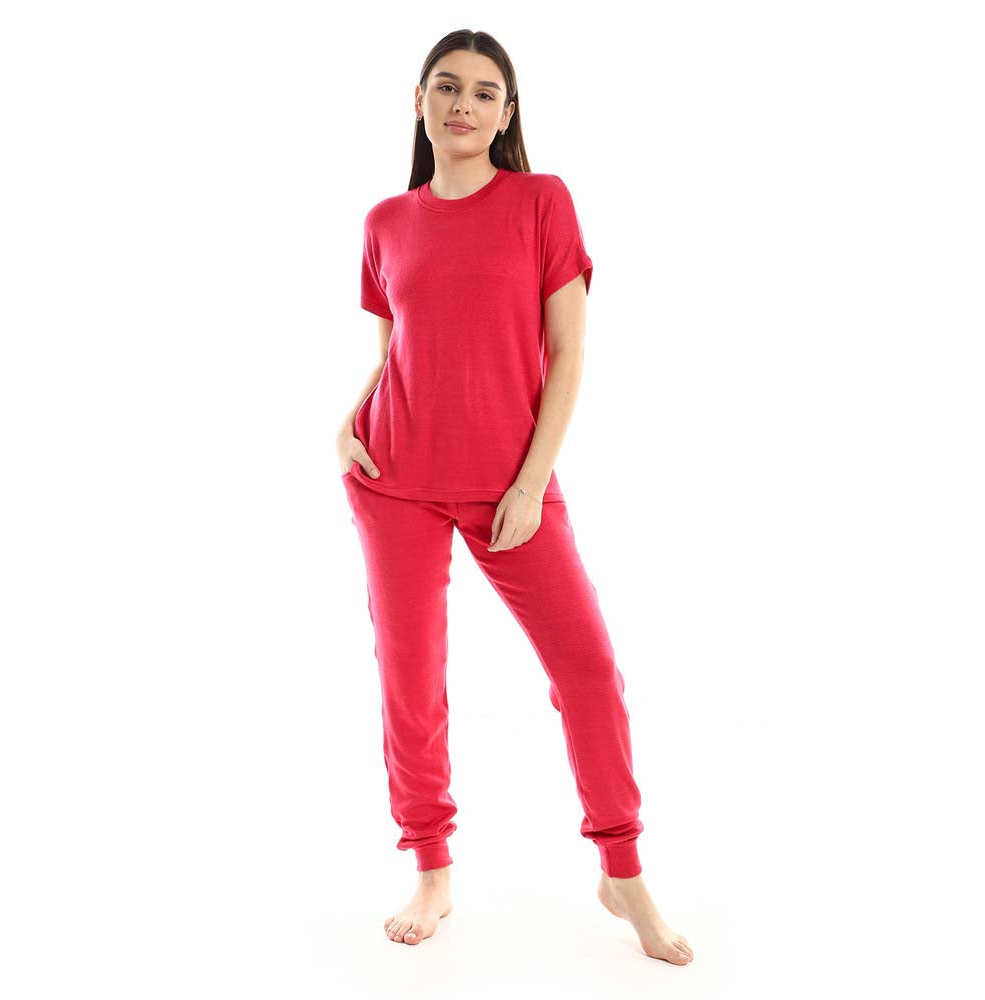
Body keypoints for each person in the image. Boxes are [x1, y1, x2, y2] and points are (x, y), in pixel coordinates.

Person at [335, 30, 694, 965]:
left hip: (511, 485)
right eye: (446, 86)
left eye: (485, 91)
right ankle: (431, 867)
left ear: (507, 112)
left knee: (589, 669)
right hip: (394, 480)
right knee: (411, 680)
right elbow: (395, 353)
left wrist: (531, 484)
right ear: (419, 101)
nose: (464, 103)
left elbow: (569, 352)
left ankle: (621, 869)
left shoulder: (542, 202)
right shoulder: (385, 220)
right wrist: (347, 424)